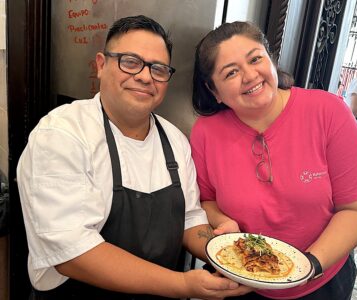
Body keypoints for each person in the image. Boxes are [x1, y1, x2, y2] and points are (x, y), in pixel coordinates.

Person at [17, 15, 251, 300]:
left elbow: (189, 218)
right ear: (101, 65)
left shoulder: (175, 140)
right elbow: (71, 252)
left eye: (159, 69)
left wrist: (219, 249)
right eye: (130, 62)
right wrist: (183, 285)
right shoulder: (62, 134)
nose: (144, 76)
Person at [190, 21, 357, 300]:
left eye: (255, 59)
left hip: (320, 280)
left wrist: (308, 266)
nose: (249, 75)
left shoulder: (328, 112)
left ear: (271, 60)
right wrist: (223, 224)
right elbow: (207, 201)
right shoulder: (206, 133)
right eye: (231, 72)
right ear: (214, 91)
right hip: (241, 278)